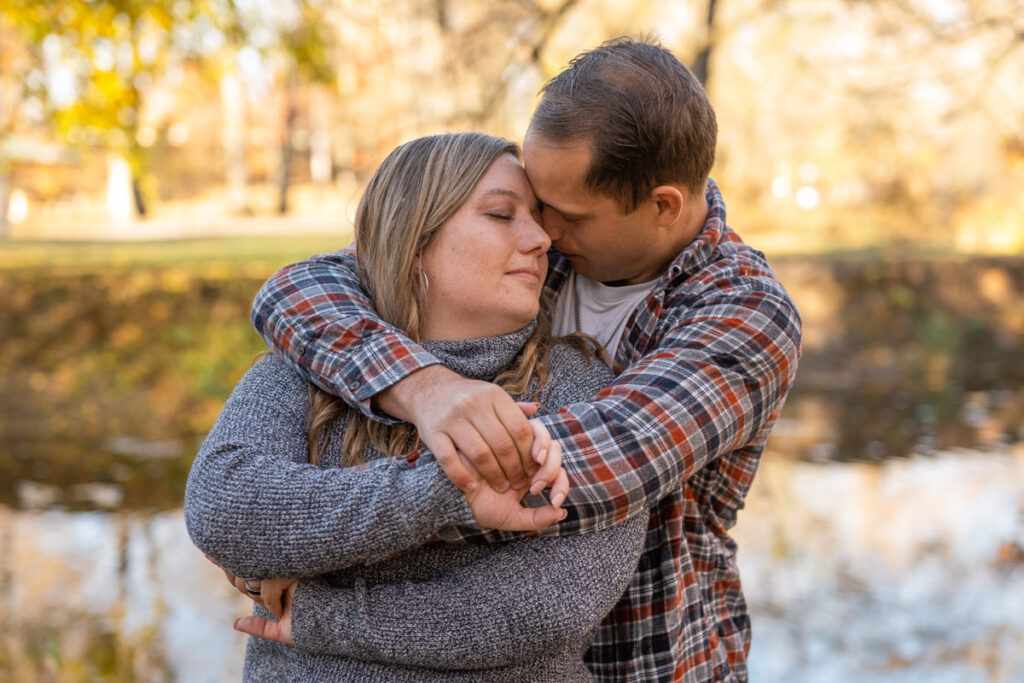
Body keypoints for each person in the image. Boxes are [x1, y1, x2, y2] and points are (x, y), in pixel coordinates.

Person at [251, 38, 802, 683]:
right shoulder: (541, 246)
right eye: (532, 204)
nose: (542, 233)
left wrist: (304, 535)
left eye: (564, 215)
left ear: (662, 207)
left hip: (643, 657)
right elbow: (301, 291)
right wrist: (422, 387)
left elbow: (556, 468)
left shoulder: (743, 316)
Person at [185, 132, 648, 681]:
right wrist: (447, 486)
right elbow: (223, 506)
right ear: (414, 243)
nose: (542, 238)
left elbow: (550, 606)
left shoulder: (583, 385)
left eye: (539, 217)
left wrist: (319, 615)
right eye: (502, 215)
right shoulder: (307, 371)